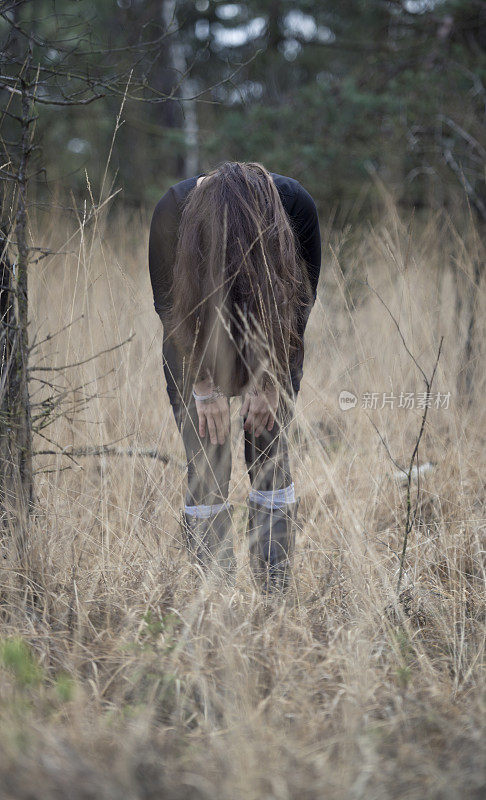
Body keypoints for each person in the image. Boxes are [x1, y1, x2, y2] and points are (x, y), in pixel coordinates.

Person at [148, 161, 321, 590]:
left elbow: (301, 306)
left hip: (273, 340)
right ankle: (211, 593)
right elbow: (170, 311)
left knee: (269, 459)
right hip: (193, 342)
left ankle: (273, 590)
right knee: (208, 463)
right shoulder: (173, 208)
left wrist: (271, 381)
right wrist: (203, 389)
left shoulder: (295, 204)